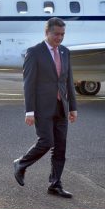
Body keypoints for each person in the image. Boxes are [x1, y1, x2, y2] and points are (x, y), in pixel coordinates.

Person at [13, 17, 77, 198]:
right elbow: (28, 83)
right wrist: (30, 111)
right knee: (46, 141)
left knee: (61, 147)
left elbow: (68, 81)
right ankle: (21, 163)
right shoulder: (34, 52)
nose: (60, 38)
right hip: (42, 107)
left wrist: (72, 107)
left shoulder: (65, 52)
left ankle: (55, 184)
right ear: (46, 32)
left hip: (61, 107)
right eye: (56, 34)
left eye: (62, 34)